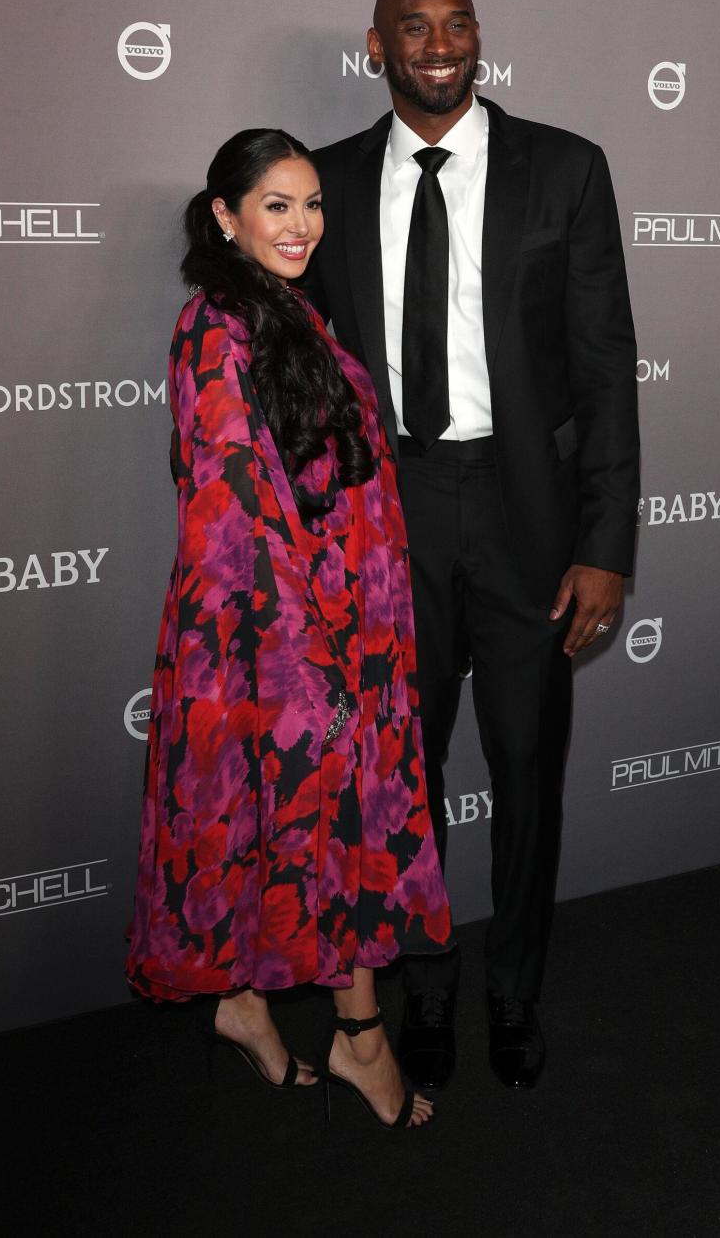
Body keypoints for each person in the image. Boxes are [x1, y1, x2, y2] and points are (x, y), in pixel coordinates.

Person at [301, 0, 639, 1090]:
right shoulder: (331, 183)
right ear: (375, 46)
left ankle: (514, 990)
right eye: (414, 27)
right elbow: (295, 372)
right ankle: (429, 990)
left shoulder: (566, 168)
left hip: (528, 520)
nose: (438, 45)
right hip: (385, 515)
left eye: (456, 26)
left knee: (528, 765)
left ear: (478, 39)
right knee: (403, 775)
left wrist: (605, 546)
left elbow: (604, 371)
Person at [126, 128, 453, 1129]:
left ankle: (243, 1006)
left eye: (311, 204)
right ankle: (360, 1041)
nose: (303, 224)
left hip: (340, 628)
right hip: (282, 644)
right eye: (277, 204)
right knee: (328, 833)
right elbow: (236, 520)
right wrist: (315, 664)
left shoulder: (287, 315)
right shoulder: (213, 329)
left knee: (299, 839)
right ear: (225, 216)